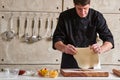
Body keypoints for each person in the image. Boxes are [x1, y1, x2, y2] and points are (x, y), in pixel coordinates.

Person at [52, 0, 114, 69]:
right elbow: (56, 41)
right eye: (79, 9)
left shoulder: (97, 16)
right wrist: (64, 48)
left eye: (85, 8)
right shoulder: (64, 16)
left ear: (89, 4)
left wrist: (101, 49)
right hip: (69, 62)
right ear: (74, 5)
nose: (82, 12)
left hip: (91, 62)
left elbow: (109, 41)